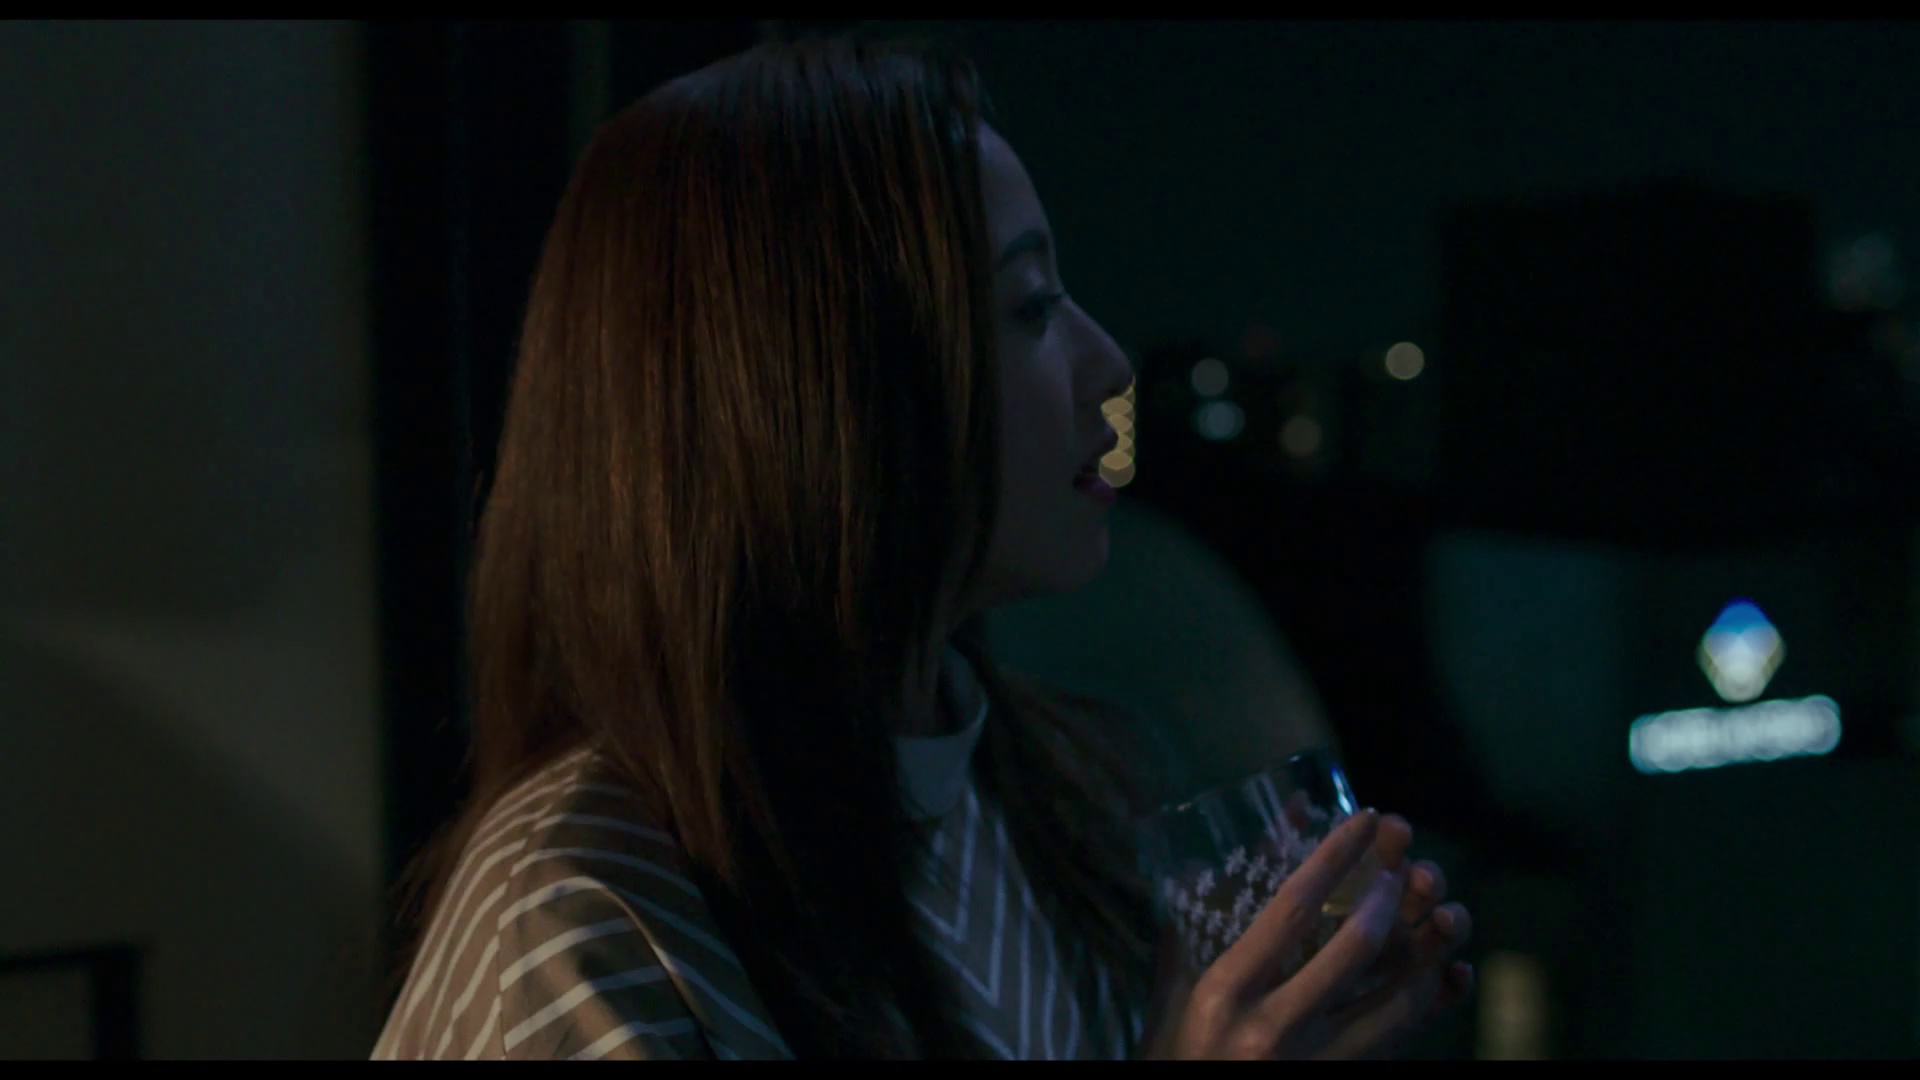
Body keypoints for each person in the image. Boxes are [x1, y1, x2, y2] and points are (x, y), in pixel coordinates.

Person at [374, 35, 1471, 1061]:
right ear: (824, 395)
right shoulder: (580, 921)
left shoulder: (1047, 797)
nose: (1108, 365)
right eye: (1030, 307)